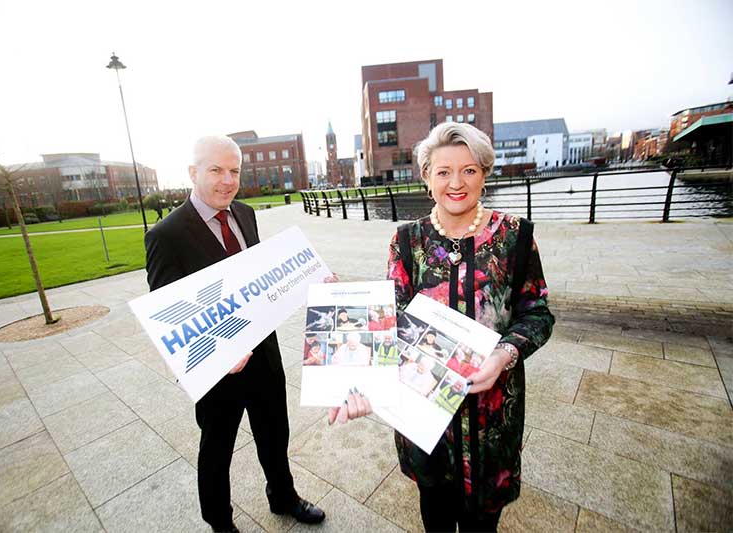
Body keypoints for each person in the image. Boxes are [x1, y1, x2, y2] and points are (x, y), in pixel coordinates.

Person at [329, 122, 554, 532]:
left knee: (482, 524)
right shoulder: (407, 242)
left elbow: (537, 312)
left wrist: (505, 354)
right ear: (427, 178)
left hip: (491, 416)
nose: (456, 182)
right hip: (424, 418)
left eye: (469, 170)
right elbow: (389, 320)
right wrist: (354, 384)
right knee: (434, 515)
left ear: (485, 175)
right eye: (443, 171)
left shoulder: (515, 237)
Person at [145, 135, 325, 533]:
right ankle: (221, 524)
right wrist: (211, 357)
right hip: (216, 371)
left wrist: (309, 281)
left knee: (274, 434)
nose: (227, 180)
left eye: (234, 171)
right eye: (216, 170)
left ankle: (283, 496)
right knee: (216, 451)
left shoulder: (244, 213)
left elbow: (260, 282)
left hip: (263, 353)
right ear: (193, 173)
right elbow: (166, 314)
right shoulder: (166, 235)